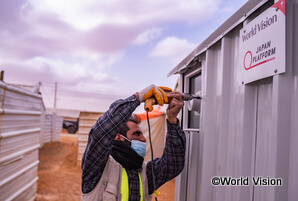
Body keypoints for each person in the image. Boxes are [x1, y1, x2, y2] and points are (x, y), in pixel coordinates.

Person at [81, 84, 186, 201]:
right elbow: (101, 132)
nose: (143, 139)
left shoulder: (146, 173)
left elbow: (173, 164)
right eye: (137, 134)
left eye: (142, 134)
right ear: (119, 137)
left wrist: (172, 119)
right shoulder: (98, 167)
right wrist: (138, 98)